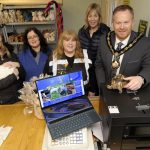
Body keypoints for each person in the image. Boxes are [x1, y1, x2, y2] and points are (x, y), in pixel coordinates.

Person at [95, 5, 150, 93]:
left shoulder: (144, 43)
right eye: (118, 22)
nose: (122, 27)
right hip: (107, 90)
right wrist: (102, 86)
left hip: (131, 93)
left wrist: (141, 78)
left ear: (133, 22)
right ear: (113, 23)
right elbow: (99, 65)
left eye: (126, 22)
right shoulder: (103, 40)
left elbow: (148, 66)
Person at [44, 30, 92, 95]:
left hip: (83, 95)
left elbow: (92, 75)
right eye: (67, 40)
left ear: (76, 42)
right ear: (62, 43)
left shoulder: (86, 55)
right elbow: (46, 78)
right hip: (61, 96)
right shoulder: (52, 57)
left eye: (73, 40)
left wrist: (92, 91)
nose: (70, 43)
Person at [78, 3, 110, 96]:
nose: (92, 19)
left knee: (101, 96)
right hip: (86, 69)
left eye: (95, 16)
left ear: (99, 17)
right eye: (90, 16)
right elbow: (79, 49)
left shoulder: (105, 31)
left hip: (100, 70)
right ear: (87, 17)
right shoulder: (82, 31)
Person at [0, 33, 25, 104]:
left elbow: (23, 75)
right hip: (4, 103)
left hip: (19, 98)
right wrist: (13, 76)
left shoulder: (11, 54)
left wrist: (18, 65)